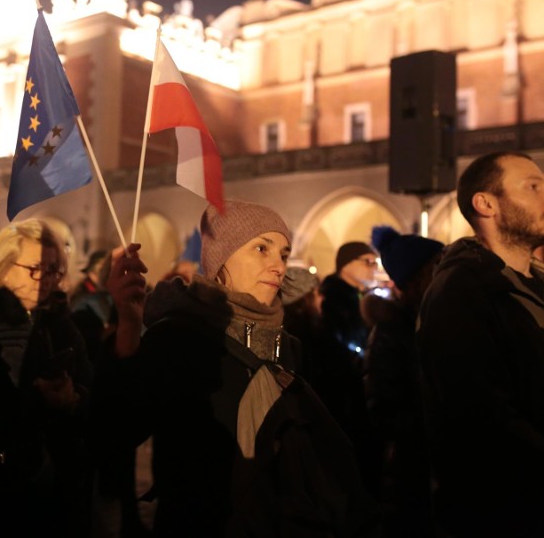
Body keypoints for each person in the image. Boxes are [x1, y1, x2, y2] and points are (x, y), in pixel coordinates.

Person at [99, 199, 378, 536]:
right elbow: (115, 433)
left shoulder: (287, 346)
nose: (278, 265)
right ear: (221, 258)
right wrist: (128, 326)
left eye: (284, 254)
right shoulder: (179, 337)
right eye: (262, 248)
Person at [417, 151, 544, 536]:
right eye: (533, 187)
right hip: (504, 511)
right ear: (486, 203)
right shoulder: (461, 292)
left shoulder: (534, 285)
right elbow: (480, 416)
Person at [0, 219, 93, 537]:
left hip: (50, 485)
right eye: (36, 268)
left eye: (54, 270)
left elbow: (90, 390)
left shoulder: (62, 325)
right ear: (5, 265)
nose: (46, 280)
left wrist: (72, 399)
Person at [364, 226, 443, 538]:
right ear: (416, 278)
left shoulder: (436, 320)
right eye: (437, 265)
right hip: (413, 474)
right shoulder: (391, 333)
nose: (444, 272)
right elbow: (384, 411)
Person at [320, 241, 377, 356]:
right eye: (368, 261)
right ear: (346, 264)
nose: (374, 268)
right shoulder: (331, 297)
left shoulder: (359, 295)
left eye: (375, 263)